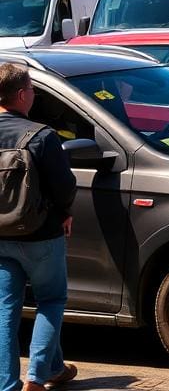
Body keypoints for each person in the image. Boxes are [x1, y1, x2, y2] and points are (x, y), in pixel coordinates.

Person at [0, 63, 77, 391]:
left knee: (5, 309)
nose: (34, 94)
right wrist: (64, 212)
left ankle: (7, 384)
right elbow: (65, 186)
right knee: (51, 300)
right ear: (21, 95)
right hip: (41, 235)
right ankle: (37, 375)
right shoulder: (42, 136)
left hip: (0, 235)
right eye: (32, 89)